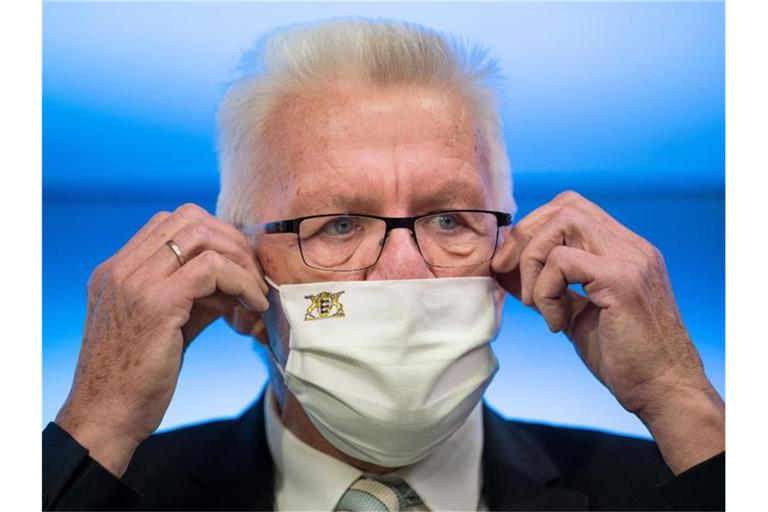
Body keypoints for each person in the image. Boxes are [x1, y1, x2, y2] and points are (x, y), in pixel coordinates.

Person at [42, 19, 725, 511]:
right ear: (237, 282)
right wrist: (97, 421)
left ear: (509, 264)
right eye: (337, 224)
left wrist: (682, 399)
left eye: (450, 219)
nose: (404, 269)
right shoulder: (113, 488)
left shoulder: (671, 482)